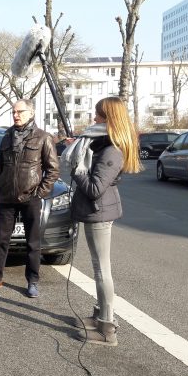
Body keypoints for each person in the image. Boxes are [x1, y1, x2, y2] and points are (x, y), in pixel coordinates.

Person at [62, 96, 142, 346]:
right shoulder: (103, 145)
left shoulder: (112, 150)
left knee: (101, 270)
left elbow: (95, 188)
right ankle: (100, 316)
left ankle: (107, 329)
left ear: (109, 118)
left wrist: (77, 169)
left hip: (99, 211)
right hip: (95, 211)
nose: (94, 118)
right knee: (99, 267)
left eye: (98, 115)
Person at [0, 99, 59, 298]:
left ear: (31, 113)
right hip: (6, 198)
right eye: (13, 112)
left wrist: (39, 193)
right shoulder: (6, 137)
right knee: (1, 240)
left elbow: (53, 170)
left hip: (31, 198)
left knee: (32, 242)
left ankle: (33, 281)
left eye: (20, 112)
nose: (16, 115)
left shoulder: (43, 138)